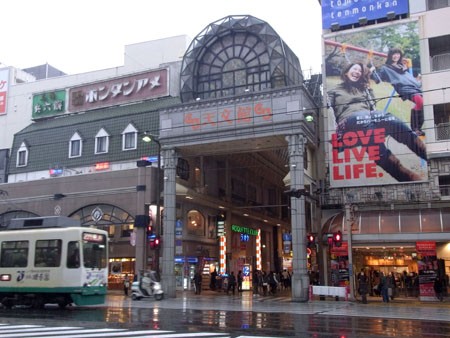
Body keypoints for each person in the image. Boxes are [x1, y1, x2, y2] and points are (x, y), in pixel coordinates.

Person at [328, 62, 427, 182]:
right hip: (347, 122)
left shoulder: (363, 90)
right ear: (346, 72)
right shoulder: (334, 90)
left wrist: (369, 90)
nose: (357, 72)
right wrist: (332, 135)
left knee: (385, 117)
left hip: (367, 120)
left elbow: (372, 107)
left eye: (360, 71)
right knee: (364, 118)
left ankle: (425, 154)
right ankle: (406, 175)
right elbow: (327, 111)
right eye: (355, 69)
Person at [370, 48, 424, 136]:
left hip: (415, 87)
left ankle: (418, 128)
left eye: (398, 54)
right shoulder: (385, 67)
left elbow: (408, 77)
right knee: (420, 102)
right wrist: (372, 72)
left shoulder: (402, 66)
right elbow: (377, 79)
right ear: (390, 56)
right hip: (404, 88)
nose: (396, 56)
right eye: (394, 54)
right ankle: (415, 128)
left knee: (423, 104)